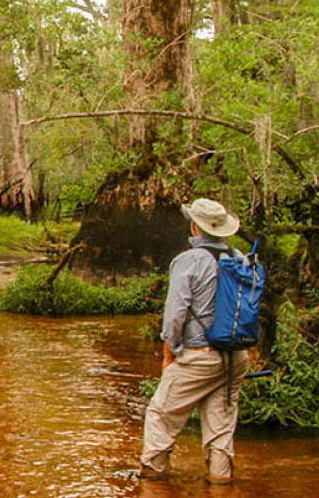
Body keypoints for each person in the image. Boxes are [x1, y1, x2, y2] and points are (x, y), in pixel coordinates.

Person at [139, 198, 249, 485]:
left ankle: (152, 478)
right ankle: (220, 482)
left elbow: (175, 314)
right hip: (236, 356)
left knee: (160, 415)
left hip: (199, 355)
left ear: (194, 228)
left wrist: (169, 353)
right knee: (221, 426)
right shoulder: (241, 257)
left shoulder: (189, 260)